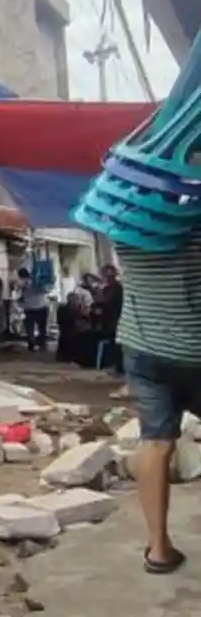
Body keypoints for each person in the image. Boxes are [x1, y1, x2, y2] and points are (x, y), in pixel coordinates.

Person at [118, 229, 201, 574]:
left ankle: (158, 548)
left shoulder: (125, 221)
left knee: (155, 442)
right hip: (195, 345)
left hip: (143, 346)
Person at [13, 267, 50, 352]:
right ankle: (42, 344)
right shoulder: (38, 282)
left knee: (30, 328)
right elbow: (46, 290)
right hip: (41, 306)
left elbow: (18, 295)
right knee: (42, 328)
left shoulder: (21, 284)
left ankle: (32, 343)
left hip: (29, 308)